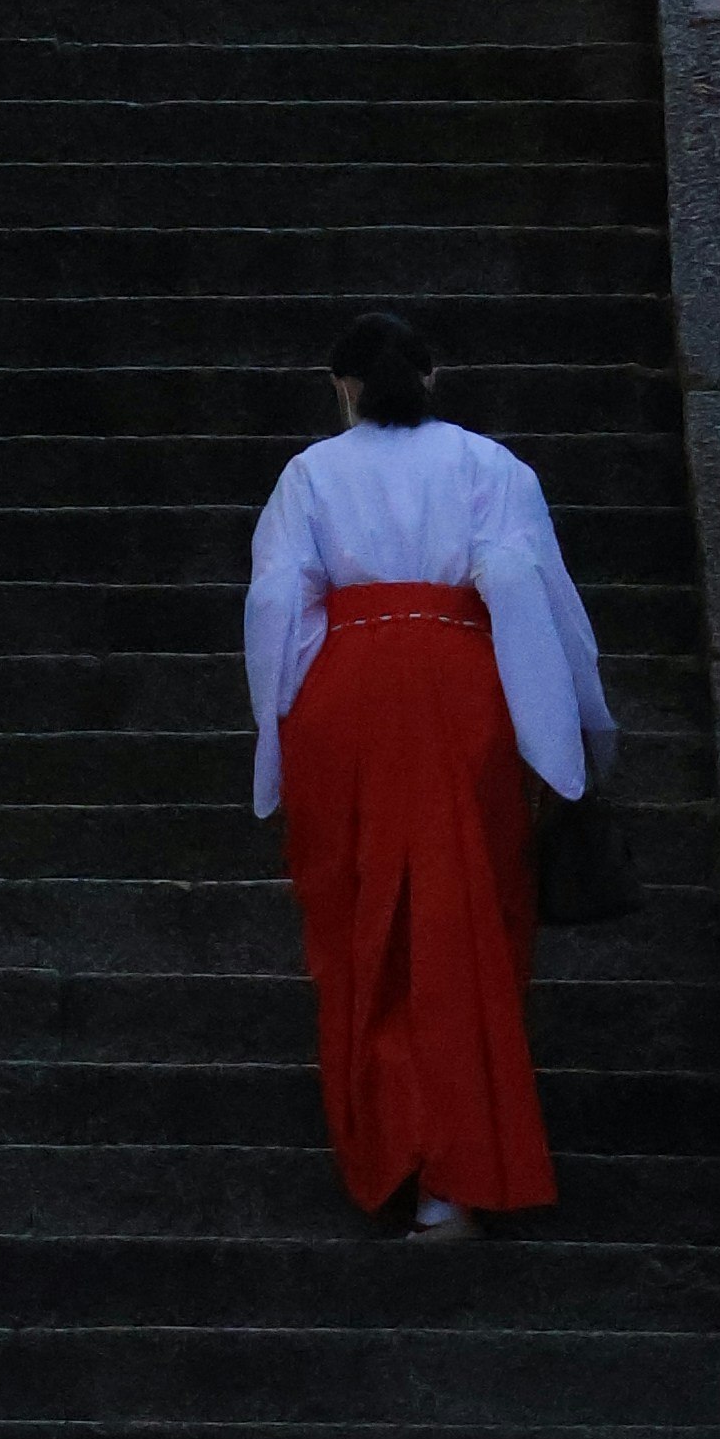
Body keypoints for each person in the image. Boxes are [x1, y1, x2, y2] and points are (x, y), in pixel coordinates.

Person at [246, 311, 614, 1230]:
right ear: (433, 377)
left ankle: (389, 1141)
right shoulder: (491, 466)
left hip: (347, 693)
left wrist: (277, 736)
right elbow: (536, 593)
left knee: (360, 915)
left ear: (343, 387)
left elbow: (276, 604)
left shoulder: (310, 475)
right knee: (465, 912)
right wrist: (580, 734)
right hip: (463, 683)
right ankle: (456, 1170)